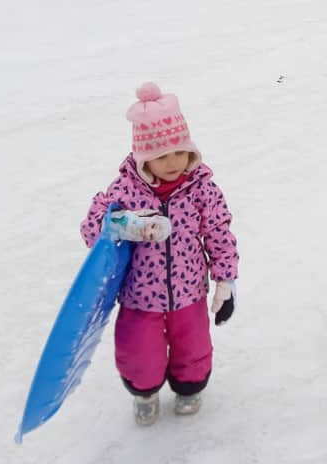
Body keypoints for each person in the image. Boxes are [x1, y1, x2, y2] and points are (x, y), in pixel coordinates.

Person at [80, 82, 239, 425]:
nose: (173, 163)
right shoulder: (125, 190)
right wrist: (120, 223)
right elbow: (92, 230)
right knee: (139, 353)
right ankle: (144, 391)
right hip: (139, 296)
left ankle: (189, 387)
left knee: (193, 348)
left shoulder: (201, 188)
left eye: (180, 152)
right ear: (143, 158)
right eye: (161, 156)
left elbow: (219, 231)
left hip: (188, 293)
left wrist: (225, 279)